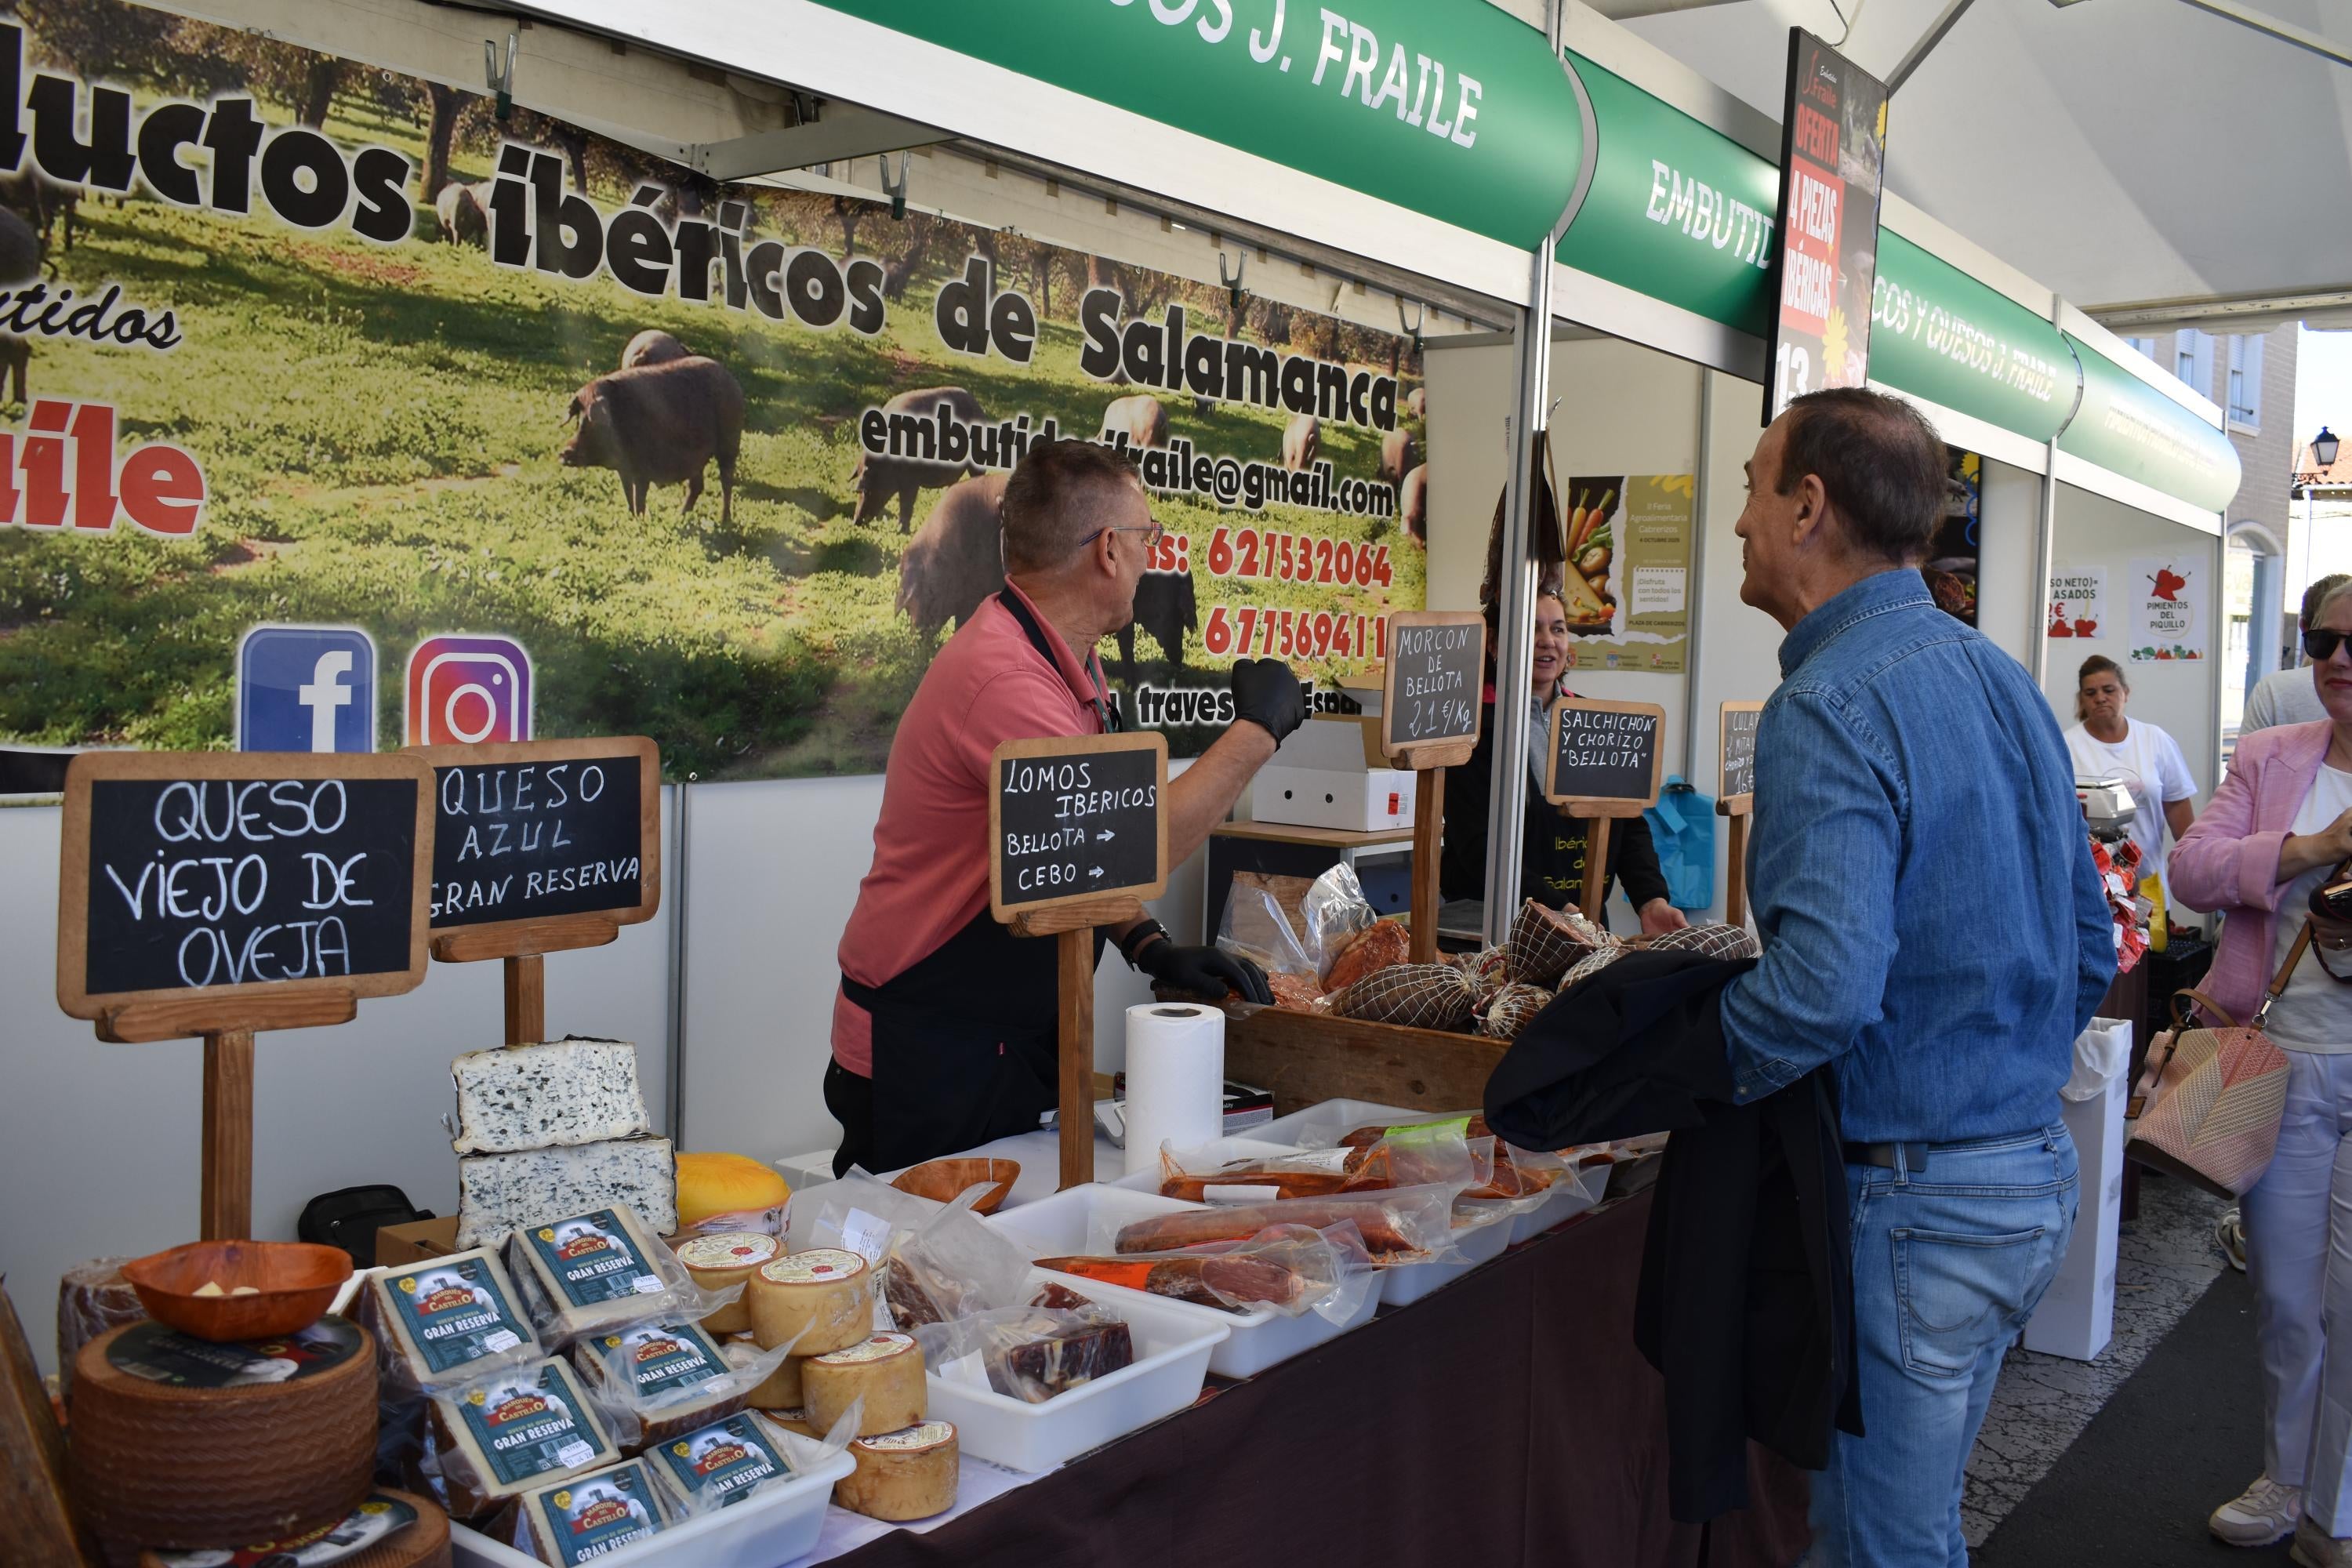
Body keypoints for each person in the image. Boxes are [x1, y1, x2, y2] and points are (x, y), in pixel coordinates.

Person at [1715, 388, 2113, 1567]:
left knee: (1882, 1550)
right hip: (2027, 1177)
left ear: (1808, 507)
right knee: (1913, 1532)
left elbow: (1821, 994)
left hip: (1917, 1207)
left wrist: (1676, 1068)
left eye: (1750, 486)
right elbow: (2089, 943)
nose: (1738, 519)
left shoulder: (1826, 703)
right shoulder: (1999, 679)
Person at [827, 439, 1304, 1176]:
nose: (1154, 554)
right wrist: (1255, 732)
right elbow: (1124, 845)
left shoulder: (1065, 656)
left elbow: (1068, 852)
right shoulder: (1005, 679)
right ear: (1109, 550)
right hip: (925, 1044)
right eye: (1149, 537)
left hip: (993, 1034)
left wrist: (1146, 941)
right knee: (928, 1279)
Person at [2172, 579, 2352, 1566]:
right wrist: (2305, 850)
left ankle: (2334, 1503)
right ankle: (2287, 1475)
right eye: (2323, 639)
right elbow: (2189, 871)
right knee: (2287, 1292)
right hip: (2280, 1061)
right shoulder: (2274, 757)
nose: (2338, 657)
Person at [1439, 586, 1686, 933]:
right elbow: (1478, 846)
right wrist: (1558, 909)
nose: (1547, 640)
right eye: (1532, 628)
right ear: (1494, 644)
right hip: (1495, 931)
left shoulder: (1593, 720)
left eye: (1557, 628)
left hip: (1584, 925)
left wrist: (1651, 900)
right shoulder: (1471, 731)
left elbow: (1625, 822)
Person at [2063, 654, 2197, 899]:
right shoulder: (2066, 746)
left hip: (2148, 884)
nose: (2101, 698)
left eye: (2109, 690)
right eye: (2091, 693)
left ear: (2126, 692)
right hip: (2093, 886)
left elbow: (2179, 812)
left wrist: (2196, 870)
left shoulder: (2155, 739)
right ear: (2081, 699)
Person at [2245, 574, 2352, 733]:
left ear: (2302, 626)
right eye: (2324, 639)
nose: (2336, 658)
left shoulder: (2272, 690)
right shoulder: (2261, 750)